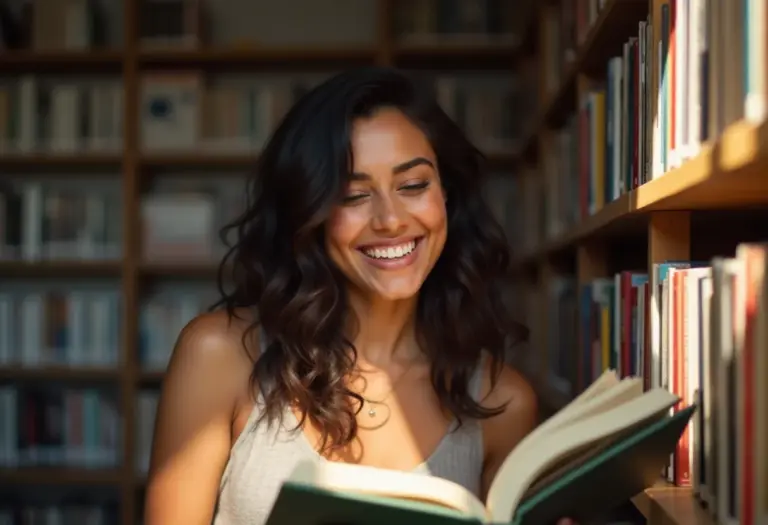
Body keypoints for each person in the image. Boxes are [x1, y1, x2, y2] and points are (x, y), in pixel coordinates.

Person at [143, 67, 575, 525]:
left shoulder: (502, 401)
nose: (390, 220)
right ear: (310, 213)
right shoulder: (219, 357)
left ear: (446, 196)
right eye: (353, 195)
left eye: (413, 186)